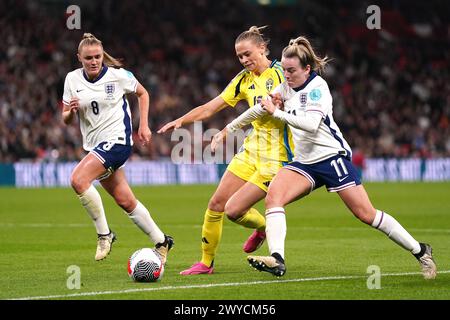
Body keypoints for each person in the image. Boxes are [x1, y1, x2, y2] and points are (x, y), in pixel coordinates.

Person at [213, 36, 437, 279]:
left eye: (291, 71)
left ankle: (420, 250)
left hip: (331, 158)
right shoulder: (286, 87)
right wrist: (228, 130)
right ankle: (277, 259)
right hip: (304, 162)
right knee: (274, 197)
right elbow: (258, 109)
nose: (286, 76)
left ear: (306, 69)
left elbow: (310, 125)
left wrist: (277, 113)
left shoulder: (318, 88)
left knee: (365, 214)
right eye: (285, 70)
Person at [158, 26, 292, 275]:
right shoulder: (243, 79)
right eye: (239, 56)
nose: (244, 60)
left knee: (234, 210)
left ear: (262, 48)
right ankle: (206, 263)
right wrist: (182, 120)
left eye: (247, 54)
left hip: (277, 158)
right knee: (217, 203)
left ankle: (264, 228)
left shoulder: (283, 73)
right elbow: (211, 107)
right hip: (251, 150)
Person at [62, 33, 173, 263]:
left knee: (78, 180)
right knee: (125, 200)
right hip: (95, 146)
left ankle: (105, 234)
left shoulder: (118, 76)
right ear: (79, 58)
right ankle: (162, 241)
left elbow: (143, 93)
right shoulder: (72, 80)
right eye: (88, 58)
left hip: (118, 142)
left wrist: (143, 125)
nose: (93, 61)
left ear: (103, 56)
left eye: (97, 57)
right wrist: (70, 113)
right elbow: (65, 119)